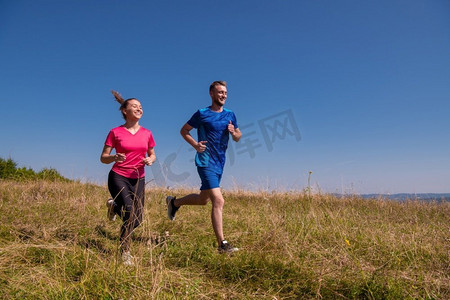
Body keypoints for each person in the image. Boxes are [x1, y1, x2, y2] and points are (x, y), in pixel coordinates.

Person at [166, 81, 242, 253]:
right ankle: (222, 245)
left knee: (203, 200)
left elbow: (238, 136)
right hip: (205, 161)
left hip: (220, 162)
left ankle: (174, 202)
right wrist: (195, 145)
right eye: (220, 92)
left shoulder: (230, 114)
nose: (223, 95)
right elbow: (184, 130)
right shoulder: (202, 113)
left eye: (225, 93)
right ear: (211, 93)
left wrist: (234, 132)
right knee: (218, 200)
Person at [100, 90, 156, 266]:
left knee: (137, 218)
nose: (139, 109)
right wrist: (114, 157)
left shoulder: (147, 133)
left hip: (138, 178)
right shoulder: (115, 132)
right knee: (130, 212)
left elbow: (153, 154)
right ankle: (125, 251)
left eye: (140, 107)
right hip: (119, 176)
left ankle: (114, 206)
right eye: (134, 106)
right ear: (125, 111)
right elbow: (103, 157)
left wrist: (150, 160)